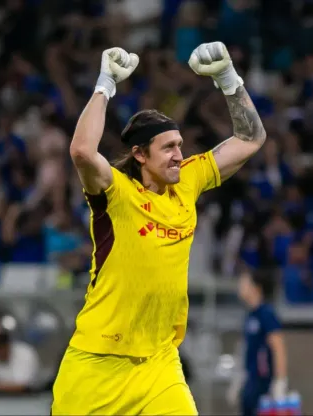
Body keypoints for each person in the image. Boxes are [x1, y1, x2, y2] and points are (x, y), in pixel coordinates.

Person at [51, 42, 267, 415]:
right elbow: (83, 152)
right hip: (97, 364)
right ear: (139, 154)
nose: (180, 156)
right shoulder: (116, 193)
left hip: (159, 364)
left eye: (180, 145)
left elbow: (251, 139)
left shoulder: (188, 179)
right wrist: (105, 84)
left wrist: (229, 79)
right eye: (168, 148)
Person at [230, 269, 289, 416]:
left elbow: (278, 348)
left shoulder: (266, 314)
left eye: (244, 283)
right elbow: (245, 349)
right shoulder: (250, 315)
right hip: (251, 381)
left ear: (256, 287)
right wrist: (239, 378)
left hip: (263, 383)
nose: (240, 287)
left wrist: (280, 381)